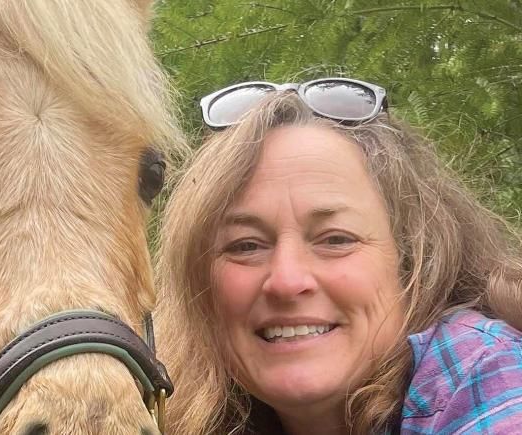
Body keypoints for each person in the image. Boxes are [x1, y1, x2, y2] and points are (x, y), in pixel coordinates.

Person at [155, 78, 522, 434]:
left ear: (413, 262)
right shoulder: (167, 405)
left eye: (335, 240)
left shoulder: (485, 372)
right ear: (198, 287)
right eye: (246, 246)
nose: (287, 280)